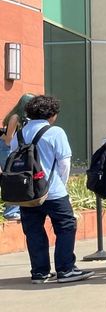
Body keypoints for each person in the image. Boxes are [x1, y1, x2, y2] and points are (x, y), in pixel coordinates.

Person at [9, 95, 92, 283]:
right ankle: (66, 269)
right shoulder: (55, 132)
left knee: (33, 231)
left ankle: (39, 272)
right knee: (66, 227)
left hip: (27, 192)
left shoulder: (19, 134)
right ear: (51, 114)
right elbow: (64, 164)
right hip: (53, 191)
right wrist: (62, 185)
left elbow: (12, 158)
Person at [1, 92, 35, 221]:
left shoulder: (23, 118)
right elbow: (8, 139)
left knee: (15, 178)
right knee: (12, 178)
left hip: (12, 149)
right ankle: (10, 211)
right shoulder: (15, 117)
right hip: (7, 150)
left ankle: (14, 209)